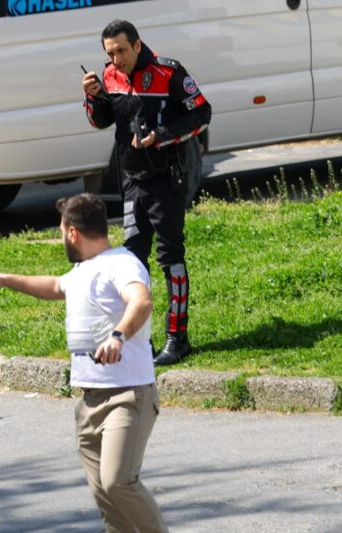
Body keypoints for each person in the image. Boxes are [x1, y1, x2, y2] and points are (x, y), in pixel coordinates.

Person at [0, 193, 191, 533]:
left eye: (61, 230)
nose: (61, 237)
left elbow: (141, 301)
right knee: (105, 494)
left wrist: (117, 336)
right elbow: (54, 286)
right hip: (89, 398)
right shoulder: (82, 271)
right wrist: (2, 278)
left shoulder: (123, 263)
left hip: (128, 394)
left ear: (72, 231)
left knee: (118, 481)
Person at [82, 19, 211, 365]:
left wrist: (162, 135)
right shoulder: (110, 75)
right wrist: (93, 99)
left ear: (138, 45)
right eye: (110, 53)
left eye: (121, 50)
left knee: (171, 258)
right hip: (131, 182)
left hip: (166, 179)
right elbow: (101, 120)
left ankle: (177, 338)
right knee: (131, 262)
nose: (116, 59)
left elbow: (202, 112)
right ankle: (139, 340)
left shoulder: (168, 72)